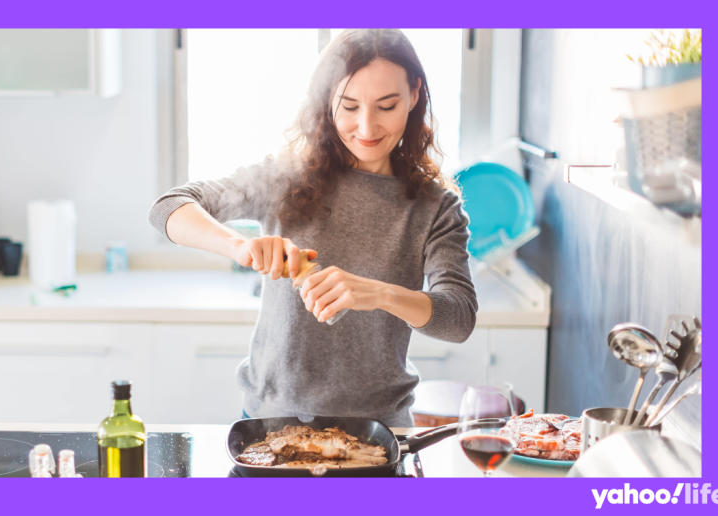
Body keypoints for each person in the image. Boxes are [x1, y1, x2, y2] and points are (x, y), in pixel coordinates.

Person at [148, 29, 477, 426]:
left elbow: (458, 319)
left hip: (381, 430)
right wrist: (242, 248)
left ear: (413, 95)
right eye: (349, 106)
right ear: (326, 102)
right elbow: (169, 208)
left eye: (386, 106)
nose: (367, 128)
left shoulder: (435, 207)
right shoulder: (286, 178)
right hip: (270, 423)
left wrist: (381, 294)